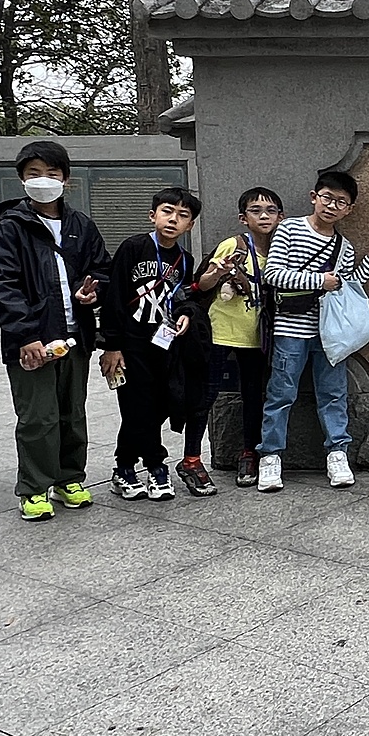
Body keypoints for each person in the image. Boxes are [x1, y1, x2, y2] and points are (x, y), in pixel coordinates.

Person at [0, 140, 112, 523]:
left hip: (75, 337)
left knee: (72, 413)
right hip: (33, 341)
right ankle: (34, 487)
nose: (43, 180)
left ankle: (69, 478)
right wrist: (26, 335)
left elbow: (101, 268)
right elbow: (1, 284)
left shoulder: (80, 225)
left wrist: (94, 291)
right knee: (38, 417)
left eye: (52, 173)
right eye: (34, 173)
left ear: (65, 179)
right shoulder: (10, 228)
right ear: (22, 179)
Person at [257, 169, 369, 492]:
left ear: (349, 210)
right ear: (314, 197)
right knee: (281, 394)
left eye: (341, 202)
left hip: (330, 333)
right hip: (291, 328)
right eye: (327, 198)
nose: (332, 206)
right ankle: (270, 457)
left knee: (333, 394)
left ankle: (337, 454)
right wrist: (319, 281)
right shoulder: (289, 229)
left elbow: (345, 285)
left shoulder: (344, 247)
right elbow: (273, 274)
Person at [99, 187, 209, 501]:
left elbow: (184, 297)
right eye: (167, 211)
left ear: (190, 225)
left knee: (158, 407)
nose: (173, 219)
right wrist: (111, 345)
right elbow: (114, 296)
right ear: (153, 215)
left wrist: (187, 313)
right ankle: (155, 466)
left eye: (183, 215)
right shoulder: (134, 247)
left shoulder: (184, 259)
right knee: (137, 408)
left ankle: (124, 466)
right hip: (131, 344)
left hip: (164, 346)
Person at [181, 187, 282, 492]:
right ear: (243, 218)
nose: (264, 216)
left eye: (270, 210)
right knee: (207, 396)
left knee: (254, 397)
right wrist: (220, 272)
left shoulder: (282, 249)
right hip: (220, 332)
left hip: (256, 337)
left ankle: (249, 454)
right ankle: (191, 459)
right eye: (255, 210)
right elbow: (202, 285)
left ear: (281, 217)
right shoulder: (233, 245)